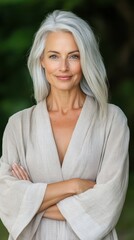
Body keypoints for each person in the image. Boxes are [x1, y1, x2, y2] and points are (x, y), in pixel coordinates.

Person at [0, 10, 129, 240]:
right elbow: (6, 201)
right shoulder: (18, 125)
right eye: (54, 56)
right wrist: (75, 186)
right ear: (41, 60)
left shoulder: (112, 120)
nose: (63, 67)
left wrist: (31, 201)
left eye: (73, 56)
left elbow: (107, 204)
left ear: (86, 59)